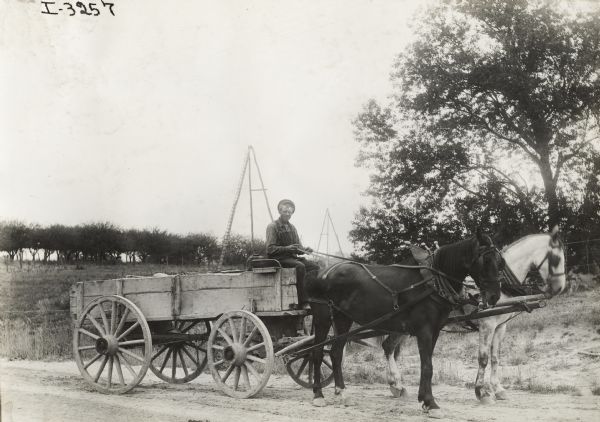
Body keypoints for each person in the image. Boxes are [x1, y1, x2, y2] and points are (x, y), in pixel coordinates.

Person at [266, 199, 319, 310]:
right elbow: (270, 249)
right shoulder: (272, 226)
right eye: (285, 211)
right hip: (278, 259)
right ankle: (303, 301)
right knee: (300, 266)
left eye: (290, 212)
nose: (288, 214)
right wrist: (287, 248)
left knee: (315, 266)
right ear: (280, 211)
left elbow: (298, 247)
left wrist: (305, 250)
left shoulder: (292, 228)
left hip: (291, 258)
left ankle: (312, 297)